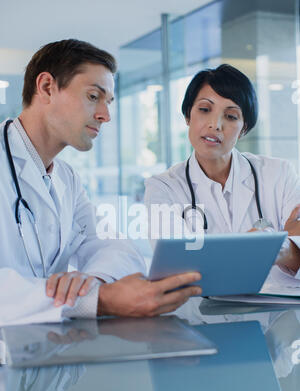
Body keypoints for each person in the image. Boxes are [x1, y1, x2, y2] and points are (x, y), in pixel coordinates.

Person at [0, 39, 202, 326]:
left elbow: (114, 246)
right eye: (94, 96)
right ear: (46, 87)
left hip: (47, 353)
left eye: (108, 102)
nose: (105, 116)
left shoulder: (65, 178)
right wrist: (98, 299)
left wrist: (91, 282)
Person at [144, 64, 300, 283]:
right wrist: (278, 243)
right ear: (188, 115)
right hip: (201, 314)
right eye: (205, 109)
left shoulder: (279, 174)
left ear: (244, 128)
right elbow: (176, 269)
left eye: (231, 116)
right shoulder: (163, 188)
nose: (215, 125)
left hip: (276, 314)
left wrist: (274, 247)